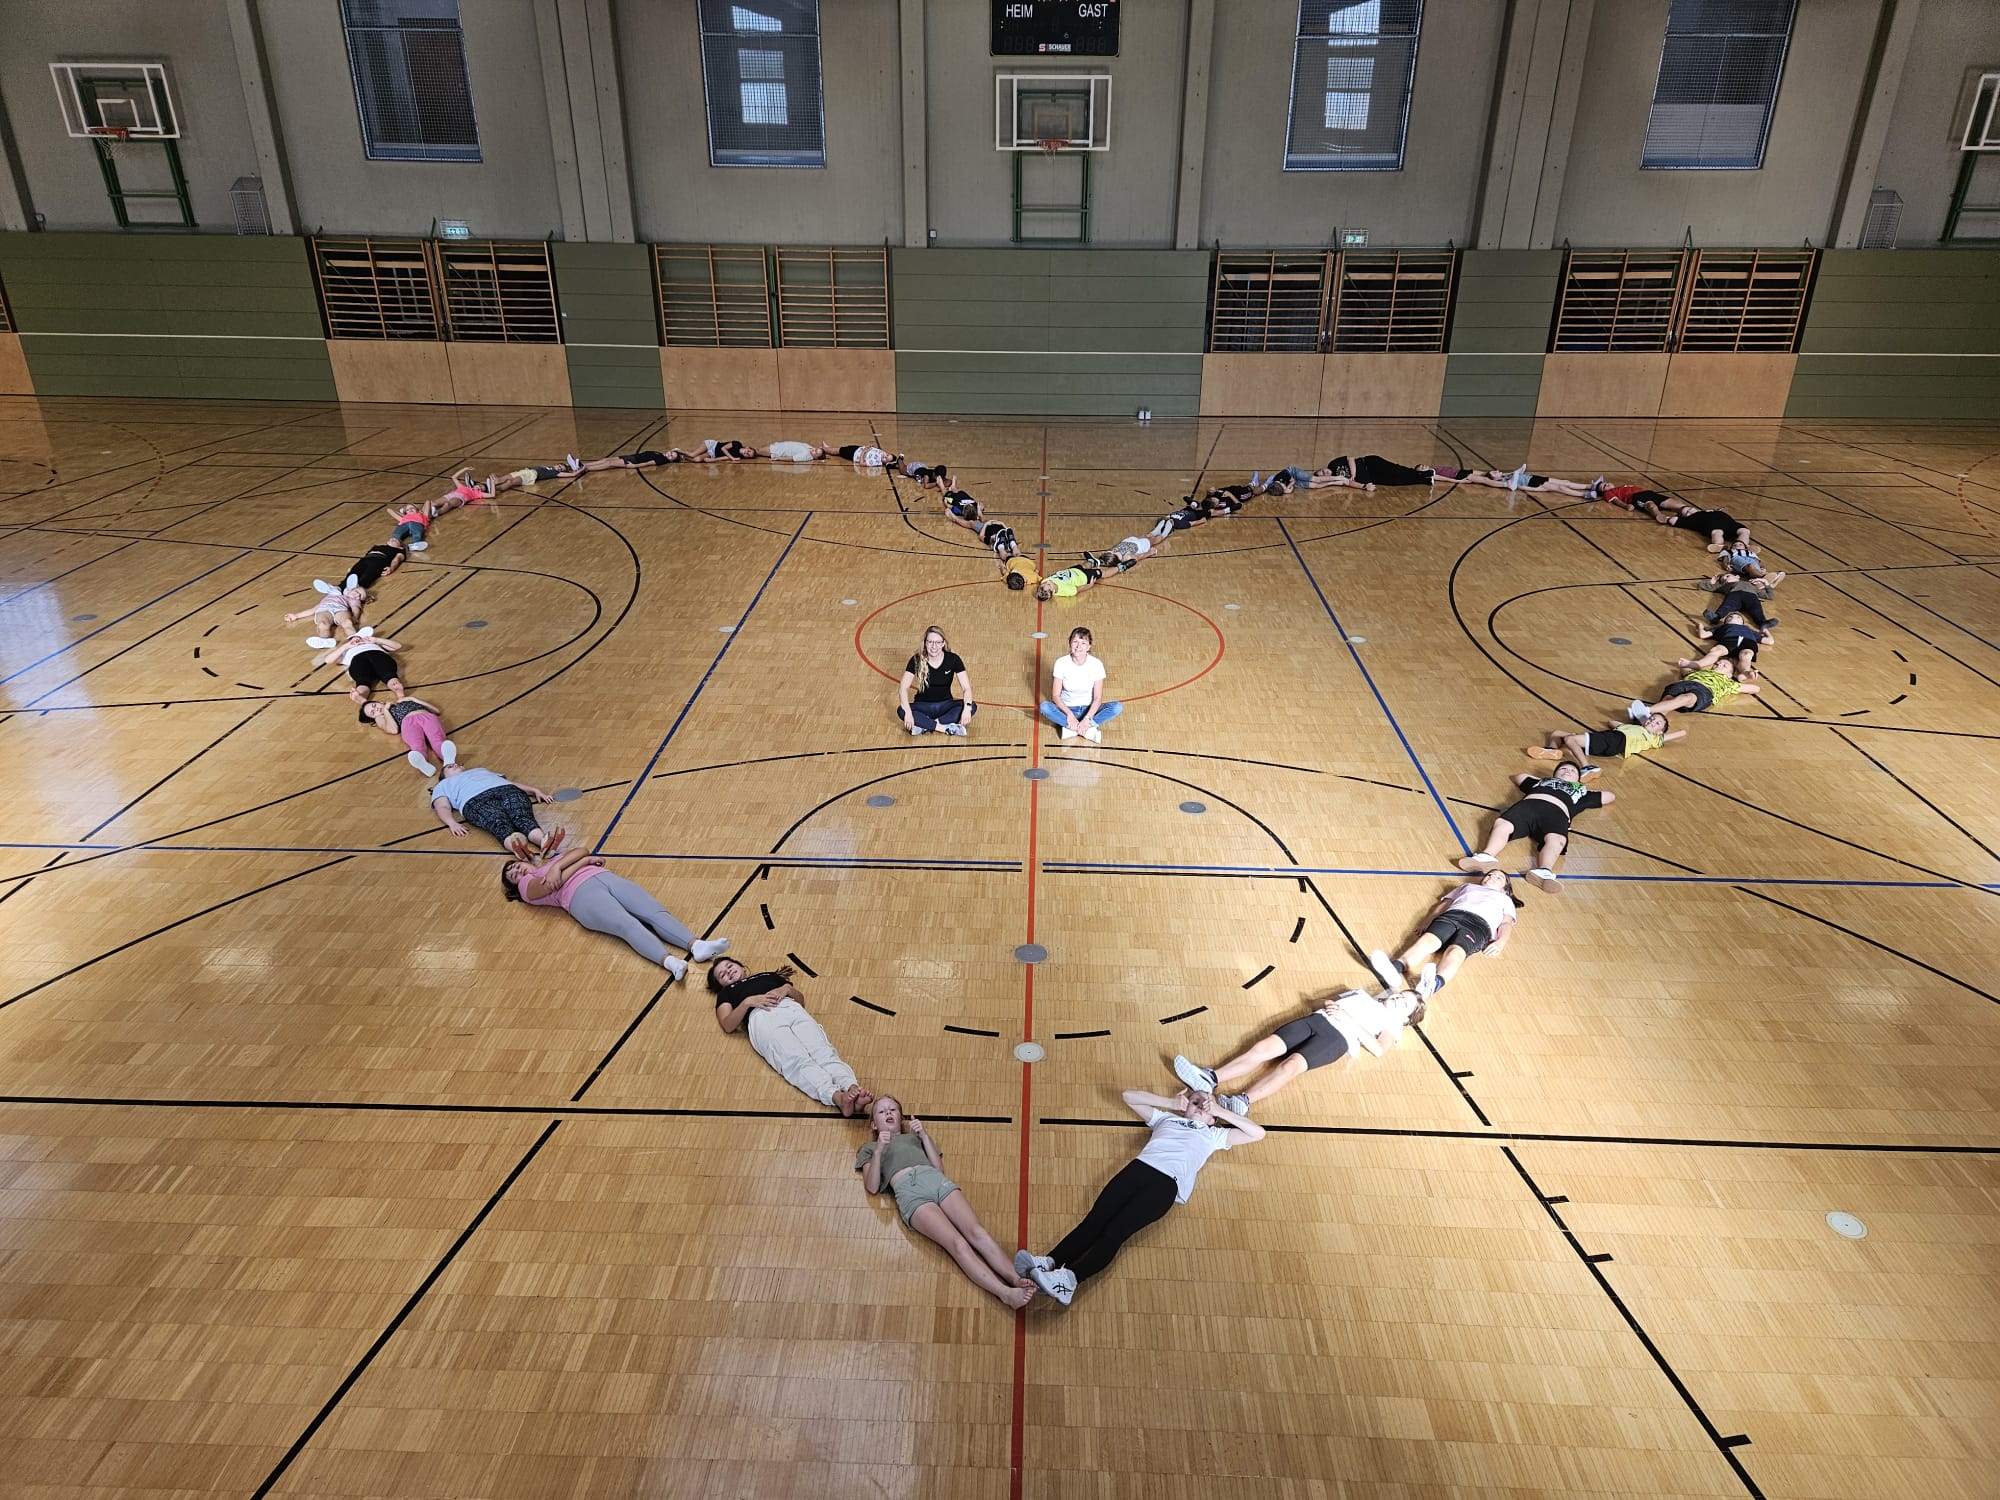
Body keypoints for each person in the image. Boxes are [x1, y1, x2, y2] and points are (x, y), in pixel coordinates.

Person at [1015, 1087, 1262, 1307]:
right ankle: (1050, 1262)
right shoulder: (1167, 1119)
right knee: (1094, 1221)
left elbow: (1257, 1133)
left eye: (1206, 1106)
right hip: (1137, 1170)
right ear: (1185, 1105)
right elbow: (1128, 1096)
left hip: (1165, 1185)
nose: (1200, 1106)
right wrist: (1171, 1103)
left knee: (1114, 1233)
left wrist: (1220, 1110)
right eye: (1195, 1101)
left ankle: (1069, 1281)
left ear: (1213, 1119)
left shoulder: (1214, 1135)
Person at [857, 1096, 1035, 1310]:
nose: (888, 1112)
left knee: (978, 1232)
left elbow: (938, 1168)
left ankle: (1015, 1278)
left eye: (893, 1109)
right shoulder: (869, 1148)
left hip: (936, 1180)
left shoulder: (914, 1138)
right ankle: (1005, 1293)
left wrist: (923, 1135)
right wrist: (879, 1149)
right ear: (874, 1125)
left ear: (900, 1117)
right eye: (881, 1111)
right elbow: (872, 1186)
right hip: (910, 1192)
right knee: (958, 1244)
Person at [1171, 987, 1423, 1112]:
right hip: (1316, 1020)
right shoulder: (1360, 994)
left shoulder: (1392, 1026)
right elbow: (1315, 1003)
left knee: (1290, 1066)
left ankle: (1242, 1102)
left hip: (1337, 1040)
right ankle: (1210, 1077)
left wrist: (1348, 1019)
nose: (1399, 999)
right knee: (1263, 1047)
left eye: (1405, 1004)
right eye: (1401, 995)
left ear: (1405, 1019)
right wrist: (1327, 1003)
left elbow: (1378, 1049)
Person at [502, 849, 728, 980]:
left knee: (652, 910)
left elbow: (582, 849)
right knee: (627, 925)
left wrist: (558, 866)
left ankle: (696, 945)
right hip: (580, 897)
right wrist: (582, 862)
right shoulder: (526, 888)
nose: (516, 870)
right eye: (512, 875)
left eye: (515, 865)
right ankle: (670, 962)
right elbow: (557, 882)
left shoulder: (553, 863)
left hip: (606, 878)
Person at [707, 959, 874, 1116]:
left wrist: (786, 989)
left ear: (742, 967)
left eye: (729, 966)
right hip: (761, 1017)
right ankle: (837, 1097)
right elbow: (727, 1024)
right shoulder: (726, 993)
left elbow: (801, 1001)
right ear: (720, 985)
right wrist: (748, 1002)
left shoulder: (768, 975)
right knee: (796, 1060)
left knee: (823, 1051)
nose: (728, 972)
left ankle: (852, 1088)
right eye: (722, 975)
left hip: (791, 1007)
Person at [1368, 869, 1522, 1000]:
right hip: (1452, 915)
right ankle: (1396, 967)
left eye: (1498, 877)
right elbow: (1443, 905)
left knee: (1456, 952)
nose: (1491, 877)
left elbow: (1506, 923)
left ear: (1505, 889)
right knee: (1427, 941)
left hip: (1479, 926)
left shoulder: (1505, 900)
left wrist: (1501, 942)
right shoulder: (1467, 887)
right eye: (1489, 874)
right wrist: (1428, 921)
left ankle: (1434, 984)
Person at [1456, 767, 1615, 893]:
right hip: (1530, 806)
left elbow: (1610, 796)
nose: (1567, 771)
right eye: (1562, 769)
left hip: (1557, 813)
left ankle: (1544, 872)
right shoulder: (1542, 782)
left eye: (1573, 770)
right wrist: (1544, 780)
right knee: (1503, 824)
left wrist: (1585, 788)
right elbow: (1519, 777)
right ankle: (1486, 856)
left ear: (1578, 778)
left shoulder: (1581, 791)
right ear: (1554, 774)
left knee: (1557, 840)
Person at [428, 763, 565, 859]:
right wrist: (451, 823)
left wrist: (534, 790)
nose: (455, 765)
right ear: (444, 776)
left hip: (507, 790)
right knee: (497, 822)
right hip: (474, 800)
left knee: (522, 816)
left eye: (457, 764)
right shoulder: (442, 785)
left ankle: (544, 842)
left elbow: (510, 783)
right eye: (450, 767)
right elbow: (442, 806)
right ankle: (518, 848)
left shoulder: (480, 770)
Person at [1525, 712, 1684, 772]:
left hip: (1617, 741)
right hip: (1610, 737)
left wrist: (1656, 730)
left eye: (1657, 723)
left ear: (1660, 732)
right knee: (1556, 733)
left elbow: (1681, 733)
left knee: (1570, 739)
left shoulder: (1653, 739)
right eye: (1652, 718)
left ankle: (1586, 767)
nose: (1653, 722)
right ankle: (1552, 750)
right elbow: (1611, 722)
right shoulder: (1634, 727)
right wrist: (1640, 720)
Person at [1040, 625, 1121, 741]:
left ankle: (1074, 729)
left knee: (1117, 707)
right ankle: (1086, 731)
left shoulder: (1096, 664)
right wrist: (1070, 715)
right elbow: (1056, 696)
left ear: (1089, 646)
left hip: (1089, 709)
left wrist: (1087, 718)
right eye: (1075, 642)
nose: (1078, 646)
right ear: (1070, 643)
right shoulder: (1061, 663)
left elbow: (1097, 698)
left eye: (1083, 643)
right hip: (1067, 708)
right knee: (1045, 707)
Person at [898, 624, 976, 736]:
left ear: (943, 643)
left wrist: (967, 709)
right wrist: (908, 713)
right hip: (923, 706)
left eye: (938, 642)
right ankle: (945, 728)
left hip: (945, 705)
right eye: (930, 642)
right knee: (902, 710)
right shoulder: (916, 660)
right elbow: (903, 688)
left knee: (972, 706)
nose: (934, 646)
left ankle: (925, 725)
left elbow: (966, 688)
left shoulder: (953, 659)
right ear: (925, 643)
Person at [1628, 660, 1763, 721]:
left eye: (1724, 665)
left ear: (1729, 674)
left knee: (1686, 698)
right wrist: (1687, 665)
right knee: (1668, 700)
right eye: (1717, 663)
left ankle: (1647, 710)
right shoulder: (1698, 672)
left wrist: (1749, 675)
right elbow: (1684, 669)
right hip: (1685, 683)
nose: (1719, 664)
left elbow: (1755, 689)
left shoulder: (1728, 683)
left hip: (1705, 691)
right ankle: (1648, 721)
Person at [361, 694, 459, 776]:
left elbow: (437, 711)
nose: (376, 709)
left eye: (374, 705)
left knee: (437, 739)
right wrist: (386, 710)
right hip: (408, 723)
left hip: (427, 716)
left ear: (379, 702)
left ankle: (448, 761)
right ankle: (424, 765)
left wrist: (414, 699)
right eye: (373, 712)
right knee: (416, 746)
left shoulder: (401, 701)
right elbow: (393, 730)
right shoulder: (381, 718)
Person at [312, 630, 406, 705]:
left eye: (359, 637)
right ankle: (361, 697)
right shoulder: (345, 652)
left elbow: (398, 646)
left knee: (389, 676)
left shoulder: (375, 644)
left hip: (378, 656)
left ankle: (399, 693)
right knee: (363, 681)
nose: (357, 640)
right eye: (351, 639)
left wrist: (376, 640)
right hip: (358, 661)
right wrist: (346, 646)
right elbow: (328, 660)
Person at [285, 580, 367, 641]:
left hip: (341, 609)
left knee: (347, 622)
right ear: (351, 589)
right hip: (324, 609)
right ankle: (324, 640)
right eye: (357, 591)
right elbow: (313, 609)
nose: (357, 595)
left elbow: (356, 609)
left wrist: (355, 617)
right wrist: (296, 616)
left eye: (360, 596)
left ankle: (355, 638)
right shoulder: (331, 595)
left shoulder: (353, 600)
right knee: (323, 624)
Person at [1311, 454, 1442, 491]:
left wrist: (1353, 474)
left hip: (1370, 463)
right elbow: (1349, 483)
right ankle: (1424, 479)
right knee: (1396, 481)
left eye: (1322, 471)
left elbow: (1350, 458)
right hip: (1372, 477)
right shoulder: (1336, 478)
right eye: (1323, 475)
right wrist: (1364, 486)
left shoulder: (1333, 464)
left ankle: (1420, 472)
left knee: (1396, 470)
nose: (1325, 472)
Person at [567, 447, 690, 473]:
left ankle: (585, 468)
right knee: (606, 459)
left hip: (634, 461)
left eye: (672, 456)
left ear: (671, 461)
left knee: (609, 463)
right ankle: (582, 464)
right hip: (631, 456)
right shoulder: (660, 453)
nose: (669, 455)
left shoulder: (662, 459)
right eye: (671, 453)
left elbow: (649, 463)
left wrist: (634, 466)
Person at [834, 443, 901, 469]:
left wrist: (863, 452)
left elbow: (861, 463)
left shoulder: (876, 462)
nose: (885, 456)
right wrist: (871, 447)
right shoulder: (882, 453)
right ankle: (828, 448)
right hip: (858, 448)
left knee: (838, 451)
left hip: (854, 454)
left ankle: (827, 449)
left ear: (886, 463)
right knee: (841, 448)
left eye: (886, 459)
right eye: (887, 455)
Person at [687, 439, 759, 462]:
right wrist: (732, 458)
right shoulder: (737, 444)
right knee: (692, 455)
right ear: (748, 447)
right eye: (749, 451)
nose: (747, 453)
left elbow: (724, 457)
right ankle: (680, 451)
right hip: (712, 445)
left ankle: (683, 457)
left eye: (748, 455)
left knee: (697, 459)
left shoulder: (737, 457)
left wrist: (713, 460)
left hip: (712, 454)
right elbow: (723, 448)